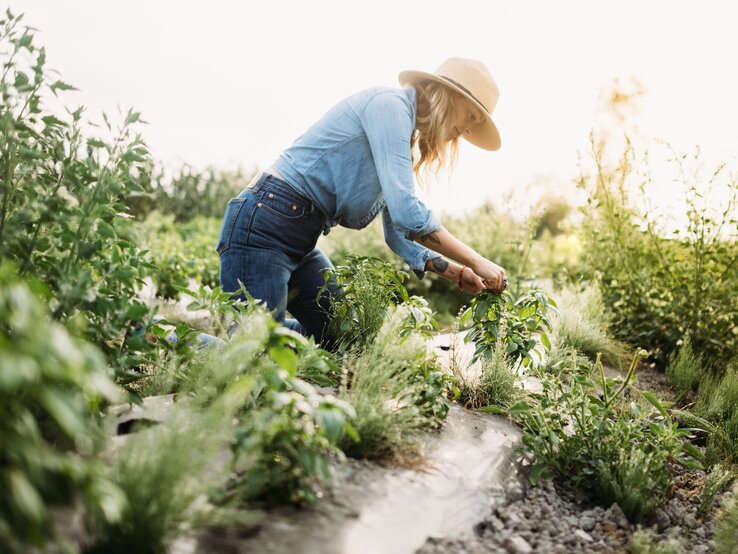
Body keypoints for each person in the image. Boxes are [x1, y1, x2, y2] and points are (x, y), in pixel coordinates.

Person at [216, 57, 508, 351]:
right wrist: (476, 260)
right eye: (471, 116)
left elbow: (398, 236)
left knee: (349, 338)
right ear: (449, 97)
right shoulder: (389, 107)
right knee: (251, 357)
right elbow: (408, 213)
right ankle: (174, 344)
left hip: (299, 236)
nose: (466, 130)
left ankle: (269, 338)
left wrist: (458, 272)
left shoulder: (398, 143)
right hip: (264, 224)